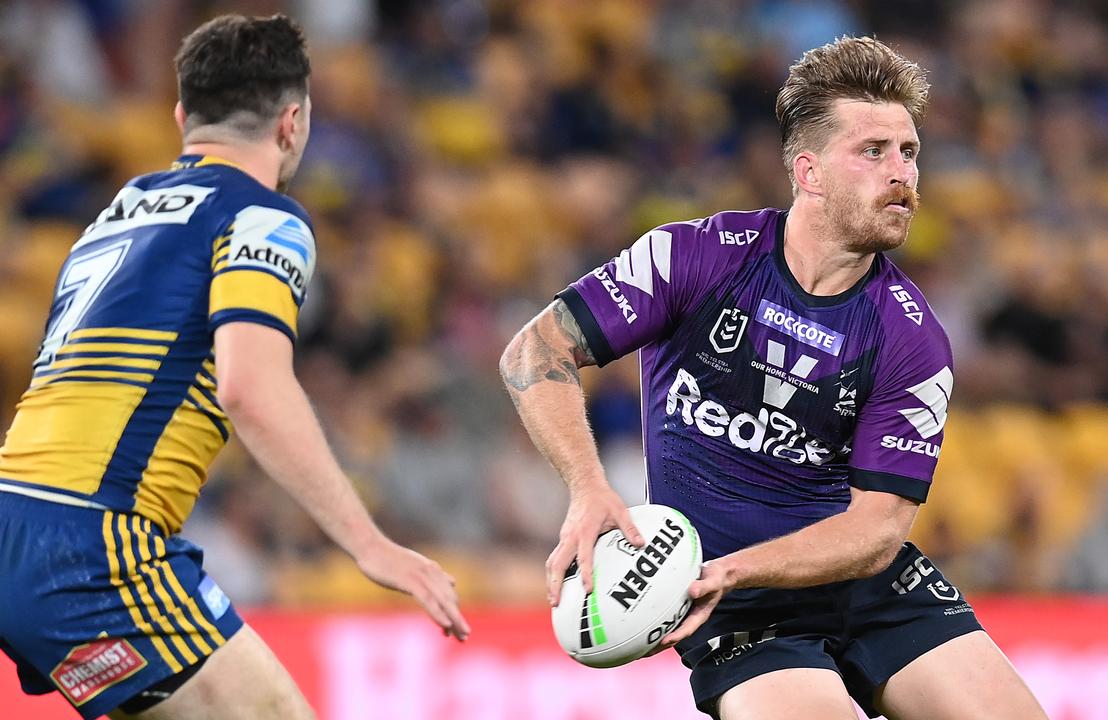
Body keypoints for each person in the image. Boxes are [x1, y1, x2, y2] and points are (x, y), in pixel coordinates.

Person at [500, 36, 1047, 720]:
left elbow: (877, 531)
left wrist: (734, 567)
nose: (902, 173)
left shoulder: (913, 337)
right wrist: (586, 488)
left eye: (909, 151)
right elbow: (535, 351)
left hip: (855, 583)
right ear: (810, 173)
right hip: (736, 611)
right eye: (873, 151)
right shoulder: (693, 258)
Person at [0, 14, 468, 720]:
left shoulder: (116, 215)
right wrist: (369, 545)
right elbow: (250, 386)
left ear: (184, 115)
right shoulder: (262, 218)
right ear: (292, 122)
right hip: (93, 545)